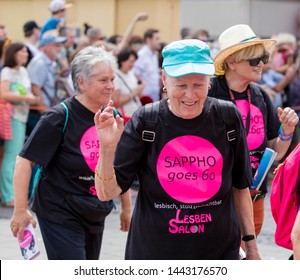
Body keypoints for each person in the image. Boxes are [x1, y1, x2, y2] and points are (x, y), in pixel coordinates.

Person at [94, 39, 261, 260]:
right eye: (181, 85)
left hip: (219, 253)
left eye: (199, 85)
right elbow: (108, 192)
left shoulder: (227, 117)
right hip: (155, 254)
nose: (190, 95)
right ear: (164, 79)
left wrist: (251, 248)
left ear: (209, 81)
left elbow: (239, 187)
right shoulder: (147, 121)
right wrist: (106, 148)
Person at [10, 46, 131, 260]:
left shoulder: (111, 114)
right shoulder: (58, 116)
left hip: (95, 209)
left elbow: (117, 164)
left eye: (112, 79)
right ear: (81, 82)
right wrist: (20, 210)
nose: (111, 86)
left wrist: (126, 207)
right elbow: (24, 160)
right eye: (103, 80)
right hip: (60, 210)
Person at [209, 24, 299, 244]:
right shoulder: (210, 91)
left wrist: (286, 133)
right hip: (218, 197)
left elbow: (274, 152)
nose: (261, 64)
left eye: (263, 58)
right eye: (254, 60)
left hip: (254, 196)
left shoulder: (260, 95)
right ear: (231, 61)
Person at [0, 42, 38, 207]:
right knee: (11, 156)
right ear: (13, 53)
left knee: (15, 156)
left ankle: (11, 194)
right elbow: (4, 93)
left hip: (21, 116)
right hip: (12, 116)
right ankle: (8, 195)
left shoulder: (23, 71)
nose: (26, 54)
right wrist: (27, 99)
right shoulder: (7, 72)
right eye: (22, 51)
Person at [26, 30, 67, 135]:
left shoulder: (50, 62)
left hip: (46, 112)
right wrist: (46, 113)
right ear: (47, 46)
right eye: (57, 46)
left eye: (60, 46)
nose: (60, 49)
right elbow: (35, 88)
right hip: (39, 114)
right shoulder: (39, 63)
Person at [113, 48, 145, 122]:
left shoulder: (131, 73)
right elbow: (116, 103)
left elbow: (138, 95)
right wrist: (133, 94)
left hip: (136, 113)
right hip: (125, 117)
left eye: (134, 62)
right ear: (122, 61)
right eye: (130, 62)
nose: (132, 64)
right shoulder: (116, 76)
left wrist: (140, 88)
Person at [133, 28, 162, 102]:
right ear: (148, 40)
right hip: (145, 98)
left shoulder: (154, 54)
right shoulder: (141, 55)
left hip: (155, 97)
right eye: (157, 39)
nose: (160, 41)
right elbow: (135, 75)